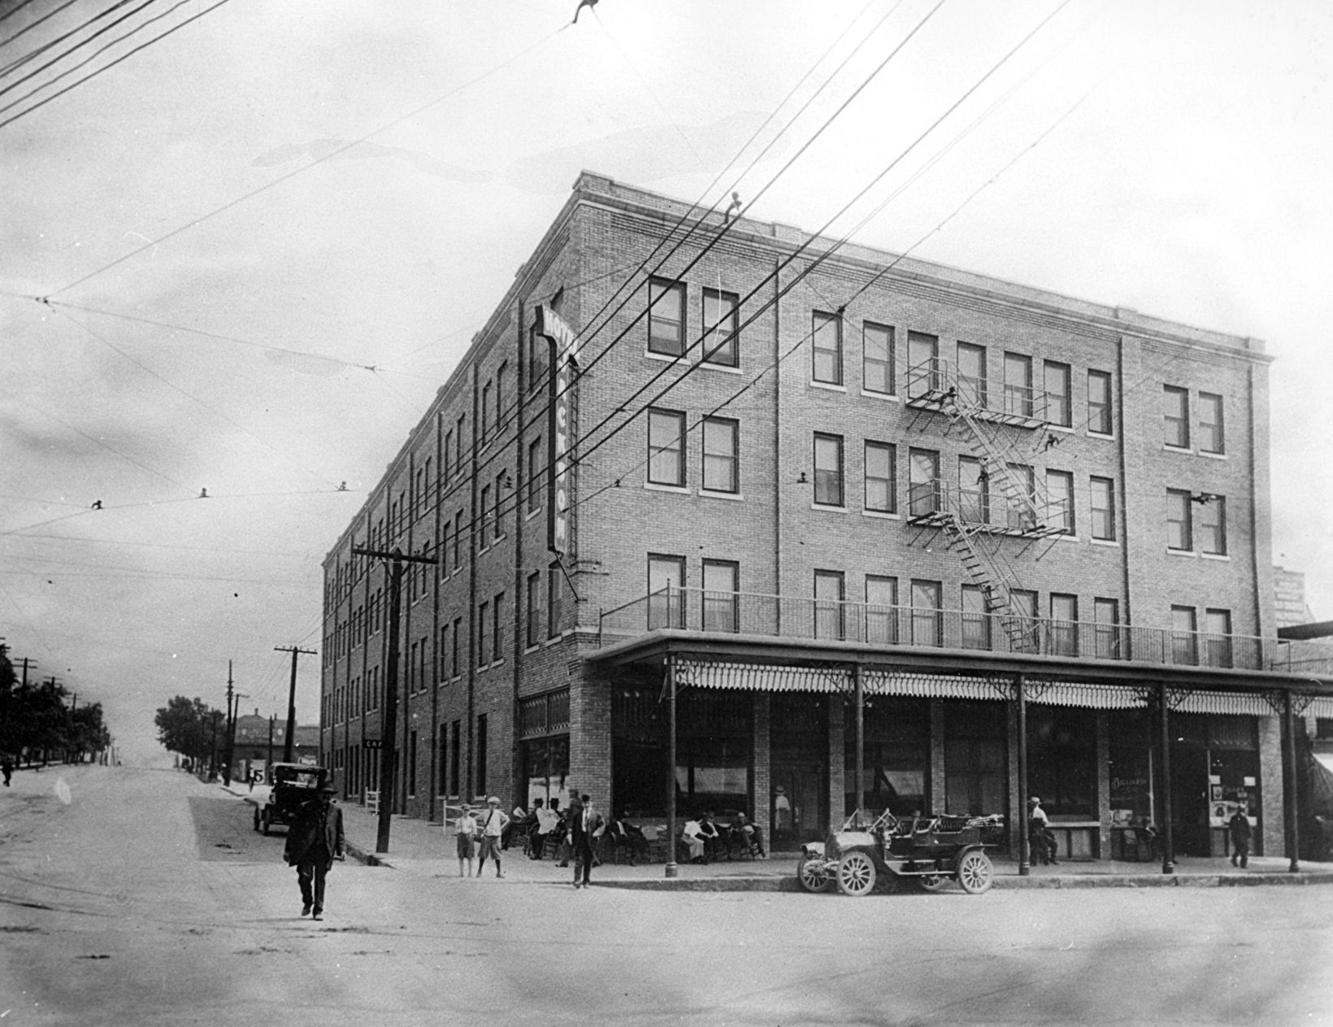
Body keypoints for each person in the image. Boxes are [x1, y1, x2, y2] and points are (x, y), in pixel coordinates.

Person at [282, 779, 345, 921]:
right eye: (324, 793)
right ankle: (307, 901)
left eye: (330, 794)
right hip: (307, 850)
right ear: (317, 794)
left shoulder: (336, 811)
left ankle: (318, 910)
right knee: (304, 877)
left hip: (325, 849)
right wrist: (288, 850)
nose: (327, 797)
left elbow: (340, 832)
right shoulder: (305, 808)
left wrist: (342, 849)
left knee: (320, 880)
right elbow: (294, 830)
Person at [570, 793, 605, 888]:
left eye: (588, 803)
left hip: (591, 840)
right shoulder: (578, 815)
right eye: (584, 803)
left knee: (588, 861)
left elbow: (602, 825)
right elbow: (573, 829)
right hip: (580, 839)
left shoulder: (596, 815)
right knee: (579, 860)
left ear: (591, 803)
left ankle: (586, 881)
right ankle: (577, 880)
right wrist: (573, 842)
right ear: (582, 804)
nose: (586, 805)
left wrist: (597, 833)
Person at [475, 796, 508, 878]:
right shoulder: (485, 813)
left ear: (496, 805)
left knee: (497, 855)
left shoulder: (499, 813)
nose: (492, 806)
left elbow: (507, 819)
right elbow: (475, 819)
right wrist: (482, 826)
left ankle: (499, 872)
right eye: (490, 804)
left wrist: (500, 828)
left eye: (494, 805)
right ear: (488, 805)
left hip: (496, 836)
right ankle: (479, 871)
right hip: (487, 836)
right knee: (483, 854)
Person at [1027, 796, 1057, 865]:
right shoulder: (1032, 812)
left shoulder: (1038, 812)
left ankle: (1046, 859)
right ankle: (1045, 859)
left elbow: (1044, 822)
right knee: (1040, 844)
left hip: (1038, 832)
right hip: (1036, 832)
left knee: (1043, 844)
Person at [453, 802, 478, 878]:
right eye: (464, 810)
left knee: (470, 856)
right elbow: (456, 829)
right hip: (461, 838)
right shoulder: (459, 820)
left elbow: (474, 830)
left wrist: (472, 835)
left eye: (467, 810)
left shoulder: (472, 820)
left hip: (469, 838)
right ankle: (461, 873)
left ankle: (470, 873)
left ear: (469, 811)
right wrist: (459, 832)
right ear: (462, 811)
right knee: (461, 856)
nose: (466, 812)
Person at [1228, 802, 1252, 869]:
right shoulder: (1241, 818)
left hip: (1239, 837)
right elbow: (1247, 827)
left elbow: (1231, 827)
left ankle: (1235, 860)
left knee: (1240, 850)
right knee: (1243, 850)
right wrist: (1249, 835)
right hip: (1240, 837)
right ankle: (1242, 864)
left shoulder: (1235, 818)